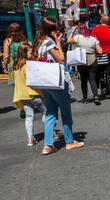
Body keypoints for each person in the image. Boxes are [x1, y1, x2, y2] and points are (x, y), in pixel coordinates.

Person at [32, 17, 84, 155]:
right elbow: (61, 60)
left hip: (45, 83)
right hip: (56, 82)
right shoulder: (49, 43)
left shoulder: (39, 42)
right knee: (65, 111)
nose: (57, 30)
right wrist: (58, 43)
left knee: (50, 113)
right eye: (55, 28)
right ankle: (69, 141)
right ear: (50, 30)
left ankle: (48, 145)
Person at [12, 43, 46, 147]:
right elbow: (34, 81)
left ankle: (30, 139)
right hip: (33, 94)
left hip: (22, 95)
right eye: (30, 53)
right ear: (25, 53)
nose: (32, 54)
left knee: (29, 116)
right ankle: (51, 133)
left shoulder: (16, 66)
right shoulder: (28, 66)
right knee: (46, 112)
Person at [67, 23, 103, 105]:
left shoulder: (77, 37)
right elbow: (100, 51)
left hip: (81, 60)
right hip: (92, 59)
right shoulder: (93, 39)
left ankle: (85, 98)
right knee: (92, 79)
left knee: (83, 80)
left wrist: (72, 31)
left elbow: (68, 41)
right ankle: (96, 97)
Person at [2, 23, 30, 119]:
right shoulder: (24, 39)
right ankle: (29, 104)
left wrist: (5, 67)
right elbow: (31, 49)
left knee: (17, 88)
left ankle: (23, 108)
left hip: (14, 67)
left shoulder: (8, 41)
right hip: (25, 65)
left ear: (9, 31)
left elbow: (6, 57)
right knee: (26, 85)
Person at [90, 15, 110, 99]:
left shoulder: (95, 29)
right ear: (109, 22)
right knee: (108, 73)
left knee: (99, 72)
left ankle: (102, 87)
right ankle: (108, 91)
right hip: (109, 55)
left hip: (98, 54)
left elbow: (91, 41)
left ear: (101, 21)